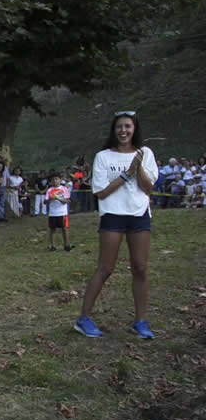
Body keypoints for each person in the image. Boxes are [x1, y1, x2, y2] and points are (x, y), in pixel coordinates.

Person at [75, 111, 158, 340]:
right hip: (112, 215)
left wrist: (138, 167)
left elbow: (148, 187)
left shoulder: (145, 154)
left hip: (139, 215)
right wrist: (126, 174)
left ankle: (140, 321)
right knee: (105, 268)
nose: (123, 131)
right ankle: (83, 318)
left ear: (134, 129)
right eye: (119, 127)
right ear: (114, 130)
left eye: (128, 127)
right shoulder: (103, 156)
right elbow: (100, 192)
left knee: (140, 268)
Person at [45, 173, 72, 252]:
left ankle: (66, 245)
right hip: (52, 213)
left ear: (60, 180)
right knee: (52, 229)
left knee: (64, 229)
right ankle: (53, 246)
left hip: (62, 213)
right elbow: (45, 201)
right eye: (53, 179)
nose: (55, 181)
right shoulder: (49, 190)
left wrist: (58, 198)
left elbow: (66, 201)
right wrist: (50, 199)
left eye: (57, 179)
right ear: (51, 181)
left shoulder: (64, 189)